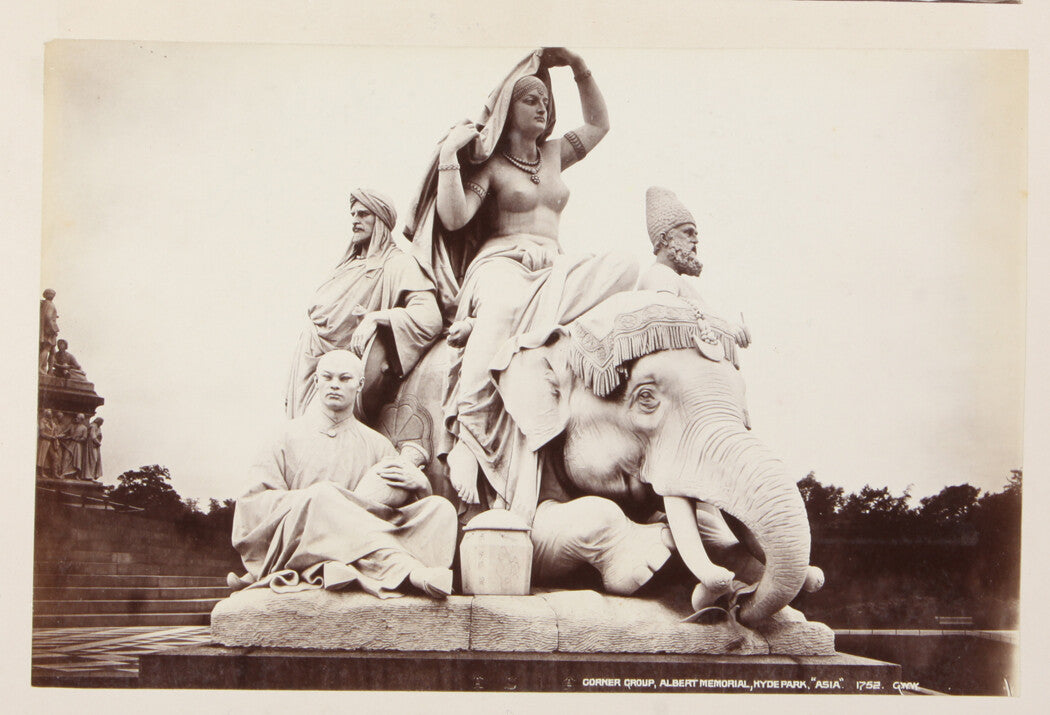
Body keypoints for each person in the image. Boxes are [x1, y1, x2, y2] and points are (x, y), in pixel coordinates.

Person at [404, 48, 639, 515]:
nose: (542, 107)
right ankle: (468, 435)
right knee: (504, 309)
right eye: (531, 99)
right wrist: (451, 154)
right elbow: (453, 219)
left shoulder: (554, 154)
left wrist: (578, 67)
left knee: (626, 266)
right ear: (509, 110)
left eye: (546, 103)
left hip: (554, 268)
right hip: (502, 264)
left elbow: (598, 126)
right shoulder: (491, 167)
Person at [232, 350, 457, 599]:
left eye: (345, 379)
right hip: (304, 539)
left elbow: (393, 508)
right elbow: (251, 506)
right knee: (323, 496)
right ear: (316, 382)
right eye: (327, 377)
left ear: (359, 384)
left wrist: (421, 485)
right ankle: (406, 571)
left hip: (370, 532)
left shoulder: (378, 444)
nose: (335, 385)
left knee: (440, 509)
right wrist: (316, 504)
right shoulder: (283, 437)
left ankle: (345, 566)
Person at [286, 189, 442, 421]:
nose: (355, 221)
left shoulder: (398, 264)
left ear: (380, 219)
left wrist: (376, 318)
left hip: (342, 377)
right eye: (353, 214)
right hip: (308, 368)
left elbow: (430, 317)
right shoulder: (346, 266)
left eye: (363, 214)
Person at [638, 187, 750, 369]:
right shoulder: (659, 274)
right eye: (688, 233)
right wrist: (725, 329)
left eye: (696, 234)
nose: (695, 241)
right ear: (665, 238)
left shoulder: (674, 279)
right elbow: (670, 321)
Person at [39, 289, 59, 374]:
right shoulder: (50, 304)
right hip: (49, 330)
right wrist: (54, 329)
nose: (53, 295)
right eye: (52, 294)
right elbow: (48, 317)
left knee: (45, 349)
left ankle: (43, 368)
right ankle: (39, 366)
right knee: (47, 348)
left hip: (44, 329)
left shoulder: (44, 303)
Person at [37, 409, 58, 479]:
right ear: (46, 414)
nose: (50, 415)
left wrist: (55, 436)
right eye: (49, 414)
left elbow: (54, 430)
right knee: (42, 457)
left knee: (55, 457)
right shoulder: (42, 421)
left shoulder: (52, 422)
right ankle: (41, 472)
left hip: (51, 442)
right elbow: (42, 433)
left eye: (51, 414)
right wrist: (50, 437)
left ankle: (55, 473)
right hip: (44, 441)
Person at [84, 417, 104, 481]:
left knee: (96, 460)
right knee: (92, 459)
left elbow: (99, 435)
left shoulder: (98, 427)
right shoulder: (93, 426)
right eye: (101, 422)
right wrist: (98, 442)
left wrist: (99, 440)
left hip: (96, 445)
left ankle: (92, 475)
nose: (101, 424)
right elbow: (93, 436)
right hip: (91, 445)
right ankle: (89, 475)